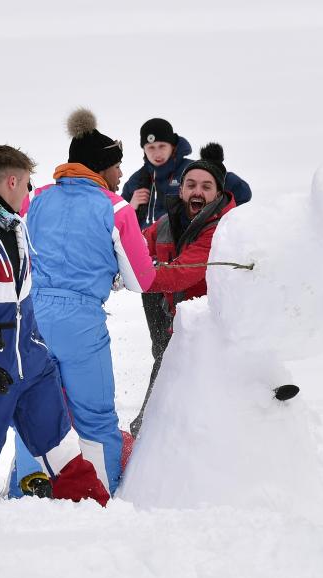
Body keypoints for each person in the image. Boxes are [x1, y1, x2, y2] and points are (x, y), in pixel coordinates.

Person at [0, 144, 110, 505]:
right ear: (12, 181)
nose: (29, 193)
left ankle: (100, 518)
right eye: (27, 184)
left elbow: (20, 301)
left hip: (32, 363)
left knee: (64, 450)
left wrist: (37, 347)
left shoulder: (14, 225)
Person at [24, 108, 156, 495]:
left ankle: (27, 490)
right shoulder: (115, 208)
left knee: (41, 410)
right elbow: (142, 279)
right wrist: (112, 273)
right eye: (116, 166)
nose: (119, 175)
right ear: (101, 168)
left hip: (32, 316)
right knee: (95, 415)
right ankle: (100, 494)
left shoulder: (36, 200)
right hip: (79, 319)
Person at [129, 144, 237, 436]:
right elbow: (135, 245)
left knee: (211, 401)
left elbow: (184, 272)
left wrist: (136, 275)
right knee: (163, 378)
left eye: (205, 186)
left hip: (216, 331)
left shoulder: (224, 228)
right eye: (190, 185)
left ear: (217, 193)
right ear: (181, 190)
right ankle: (144, 438)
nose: (197, 192)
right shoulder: (166, 223)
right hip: (178, 323)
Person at [121, 118, 251, 228]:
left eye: (162, 146)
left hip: (186, 248)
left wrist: (217, 169)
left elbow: (242, 194)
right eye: (151, 148)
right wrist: (130, 208)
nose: (157, 153)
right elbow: (117, 224)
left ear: (173, 146)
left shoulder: (193, 170)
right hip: (146, 251)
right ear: (143, 149)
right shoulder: (136, 181)